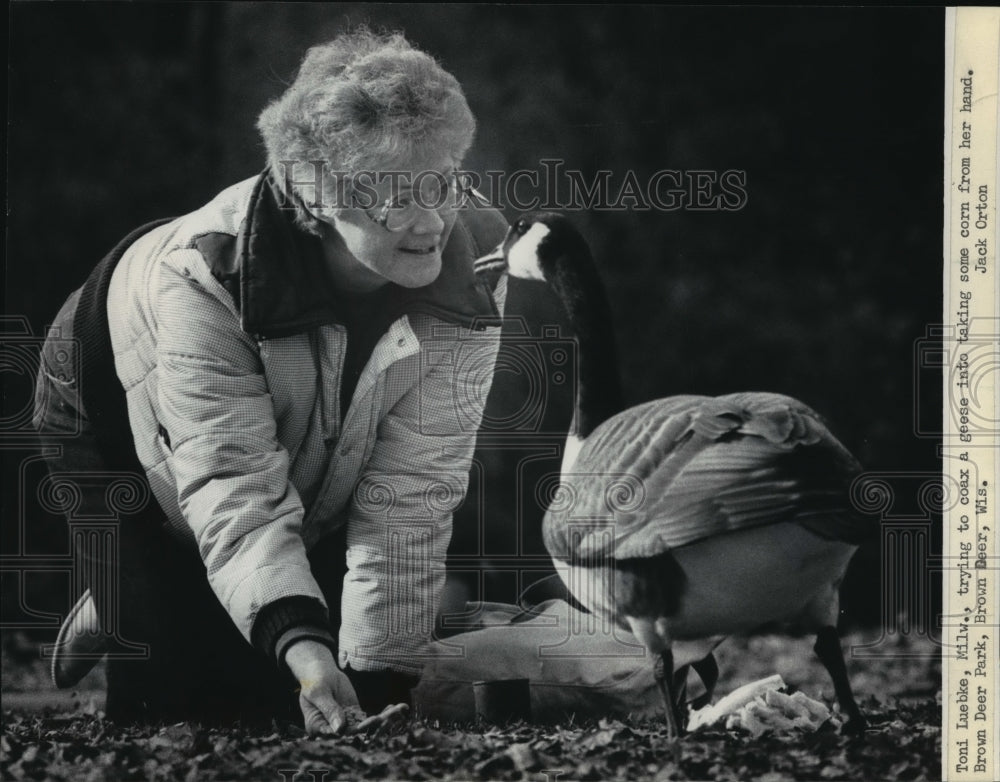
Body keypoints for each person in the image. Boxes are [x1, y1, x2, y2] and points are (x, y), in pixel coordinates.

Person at [32, 29, 508, 733]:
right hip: (112, 413)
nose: (433, 219)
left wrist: (379, 679)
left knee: (329, 697)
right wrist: (308, 652)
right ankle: (143, 582)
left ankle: (189, 593)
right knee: (188, 716)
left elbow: (414, 486)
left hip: (289, 439)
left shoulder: (477, 262)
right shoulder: (202, 279)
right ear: (319, 199)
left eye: (442, 180)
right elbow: (234, 485)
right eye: (395, 197)